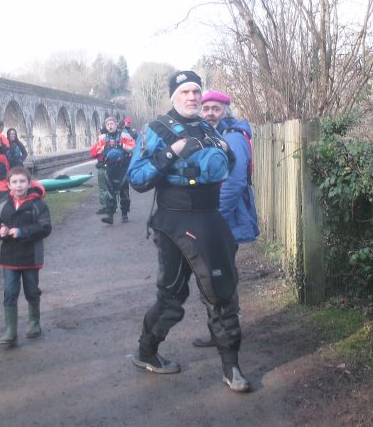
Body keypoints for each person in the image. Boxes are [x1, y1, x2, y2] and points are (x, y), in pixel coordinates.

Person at [127, 70, 251, 393]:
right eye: (185, 92)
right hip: (174, 221)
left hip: (210, 218)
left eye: (197, 91)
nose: (193, 97)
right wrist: (171, 153)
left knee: (222, 291)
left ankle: (231, 367)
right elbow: (137, 178)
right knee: (172, 295)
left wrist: (224, 152)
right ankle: (147, 351)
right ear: (174, 97)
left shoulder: (209, 127)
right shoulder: (156, 130)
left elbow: (231, 160)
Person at [193, 90, 260, 348]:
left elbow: (233, 183)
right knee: (213, 272)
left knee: (221, 274)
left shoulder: (231, 137)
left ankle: (228, 331)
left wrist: (214, 221)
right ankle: (220, 329)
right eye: (206, 108)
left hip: (226, 217)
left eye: (216, 108)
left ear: (226, 111)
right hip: (218, 215)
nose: (210, 112)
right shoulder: (215, 135)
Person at [0, 166, 52, 347]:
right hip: (9, 257)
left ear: (29, 183)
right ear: (8, 185)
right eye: (14, 182)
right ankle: (10, 330)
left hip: (31, 256)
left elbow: (45, 228)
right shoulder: (1, 206)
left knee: (31, 289)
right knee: (10, 292)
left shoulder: (39, 205)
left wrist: (23, 232)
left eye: (22, 181)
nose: (18, 185)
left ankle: (34, 323)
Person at [89, 116, 135, 225]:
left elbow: (132, 146)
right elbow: (95, 150)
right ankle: (110, 215)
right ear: (106, 126)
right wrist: (101, 151)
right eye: (108, 124)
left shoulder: (123, 135)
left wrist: (123, 146)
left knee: (124, 189)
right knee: (110, 190)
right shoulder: (103, 138)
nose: (110, 126)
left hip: (122, 166)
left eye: (112, 124)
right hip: (110, 167)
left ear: (116, 125)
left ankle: (124, 214)